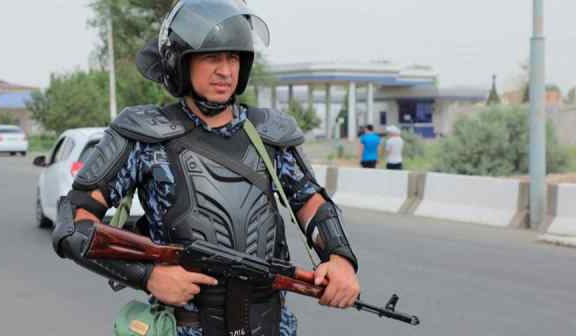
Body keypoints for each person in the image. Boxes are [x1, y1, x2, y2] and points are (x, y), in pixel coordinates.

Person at [51, 1, 360, 336]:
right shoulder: (144, 135)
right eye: (212, 57)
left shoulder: (270, 134)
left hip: (272, 326)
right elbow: (74, 225)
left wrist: (340, 259)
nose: (226, 71)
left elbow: (311, 203)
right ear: (179, 62)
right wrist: (148, 276)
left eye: (234, 57)